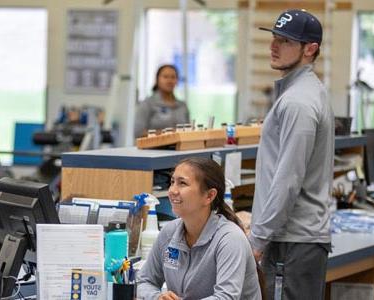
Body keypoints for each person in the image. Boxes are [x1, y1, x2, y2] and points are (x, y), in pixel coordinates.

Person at [249, 9, 334, 299]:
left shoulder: (298, 102)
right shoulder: (303, 92)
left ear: (310, 49)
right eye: (274, 38)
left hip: (293, 241)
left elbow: (288, 179)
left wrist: (257, 238)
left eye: (285, 41)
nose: (273, 46)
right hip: (294, 239)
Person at [138, 157, 261, 300]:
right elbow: (144, 281)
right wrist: (157, 297)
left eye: (182, 183)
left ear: (209, 196)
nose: (172, 190)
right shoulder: (169, 232)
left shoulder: (230, 239)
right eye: (172, 182)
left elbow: (226, 297)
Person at [134, 65, 190, 138]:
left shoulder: (182, 106)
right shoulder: (147, 104)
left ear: (177, 80)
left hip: (180, 148)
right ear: (157, 80)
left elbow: (188, 130)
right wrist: (169, 134)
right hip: (153, 148)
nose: (169, 81)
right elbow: (138, 132)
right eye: (165, 77)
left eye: (173, 77)